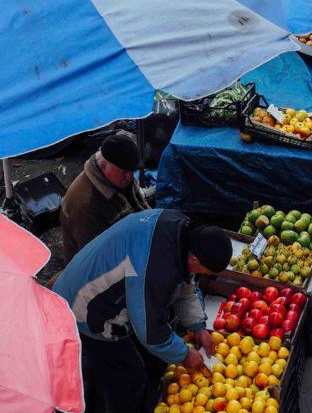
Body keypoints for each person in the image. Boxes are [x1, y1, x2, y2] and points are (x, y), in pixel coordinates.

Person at [54, 210, 233, 413]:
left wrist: (198, 326)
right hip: (85, 308)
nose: (206, 276)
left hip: (97, 284)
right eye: (207, 272)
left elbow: (184, 284)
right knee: (128, 378)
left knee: (127, 364)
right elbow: (151, 332)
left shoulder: (181, 231)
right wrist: (184, 354)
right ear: (194, 260)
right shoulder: (156, 268)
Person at [60, 132, 148, 263]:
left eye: (132, 171)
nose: (130, 177)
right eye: (124, 172)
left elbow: (140, 206)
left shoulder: (120, 177)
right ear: (103, 167)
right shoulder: (85, 204)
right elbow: (97, 258)